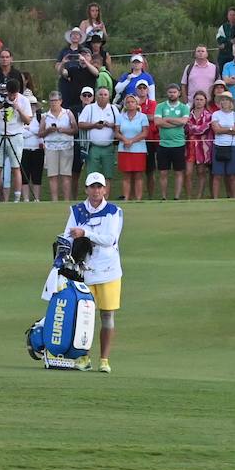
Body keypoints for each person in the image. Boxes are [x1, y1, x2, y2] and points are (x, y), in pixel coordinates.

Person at [61, 172, 123, 372]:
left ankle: (104, 360)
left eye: (99, 187)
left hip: (108, 270)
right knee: (83, 317)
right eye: (92, 187)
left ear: (105, 189)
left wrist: (85, 233)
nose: (96, 191)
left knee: (107, 316)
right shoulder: (77, 210)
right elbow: (67, 235)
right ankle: (83, 357)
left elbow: (110, 239)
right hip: (83, 271)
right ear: (86, 189)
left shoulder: (114, 211)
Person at [114, 92, 150, 201]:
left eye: (132, 102)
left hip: (139, 150)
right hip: (124, 149)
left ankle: (138, 199)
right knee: (126, 176)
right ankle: (126, 198)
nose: (130, 104)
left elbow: (145, 133)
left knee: (138, 175)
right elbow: (117, 133)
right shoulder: (120, 117)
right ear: (125, 104)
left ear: (136, 103)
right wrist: (125, 140)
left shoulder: (142, 117)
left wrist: (131, 141)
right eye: (128, 102)